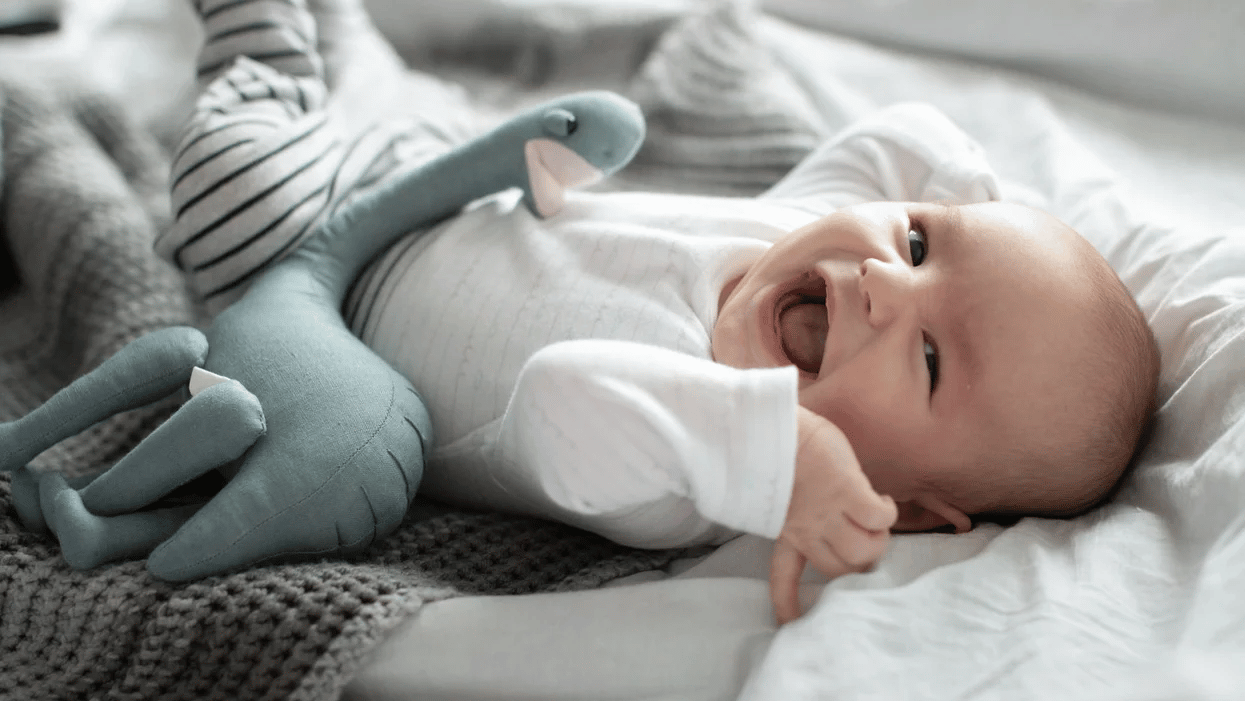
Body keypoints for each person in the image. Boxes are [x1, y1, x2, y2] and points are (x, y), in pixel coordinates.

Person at [160, 0, 1160, 623]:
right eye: (917, 244)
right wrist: (985, 222)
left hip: (308, 267)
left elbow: (556, 395)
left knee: (247, 130)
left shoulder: (681, 464)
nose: (884, 284)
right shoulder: (801, 227)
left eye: (935, 358)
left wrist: (777, 458)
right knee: (357, 50)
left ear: (898, 505)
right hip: (437, 163)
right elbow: (899, 137)